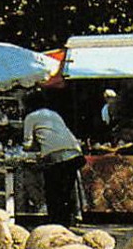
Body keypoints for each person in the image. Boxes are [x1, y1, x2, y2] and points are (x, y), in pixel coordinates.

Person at [22, 92, 86, 224]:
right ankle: (67, 221)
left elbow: (27, 143)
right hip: (75, 153)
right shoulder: (53, 114)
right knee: (66, 191)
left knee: (53, 192)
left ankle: (56, 222)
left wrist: (31, 147)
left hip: (56, 157)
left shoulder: (30, 117)